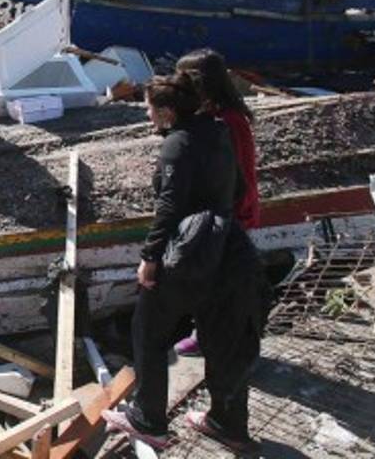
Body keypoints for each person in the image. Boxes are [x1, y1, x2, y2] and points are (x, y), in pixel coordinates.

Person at [102, 74, 262, 455]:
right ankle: (228, 424)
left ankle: (148, 420)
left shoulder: (177, 144)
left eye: (149, 109)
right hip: (227, 248)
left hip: (189, 249)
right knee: (225, 338)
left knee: (149, 329)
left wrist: (150, 257)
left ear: (168, 112)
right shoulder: (220, 130)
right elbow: (238, 187)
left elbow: (169, 208)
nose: (147, 115)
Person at [173, 48, 261, 358]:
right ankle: (209, 332)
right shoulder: (220, 116)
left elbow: (233, 173)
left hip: (229, 212)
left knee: (217, 281)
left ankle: (215, 337)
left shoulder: (227, 122)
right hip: (225, 210)